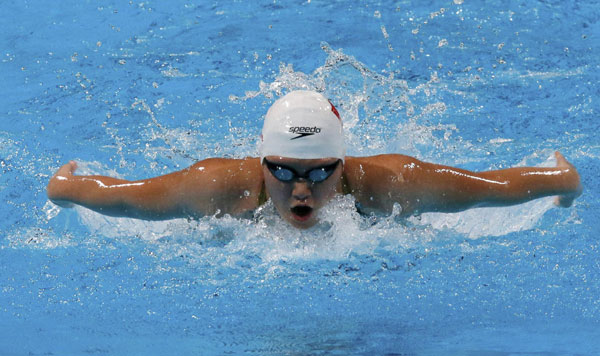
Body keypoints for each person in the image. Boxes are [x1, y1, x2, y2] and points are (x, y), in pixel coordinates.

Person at [47, 90, 582, 229]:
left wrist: (562, 182)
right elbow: (125, 199)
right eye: (281, 170)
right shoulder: (215, 186)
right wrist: (66, 189)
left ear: (343, 166)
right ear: (260, 164)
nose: (299, 190)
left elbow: (495, 187)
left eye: (319, 172)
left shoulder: (396, 183)